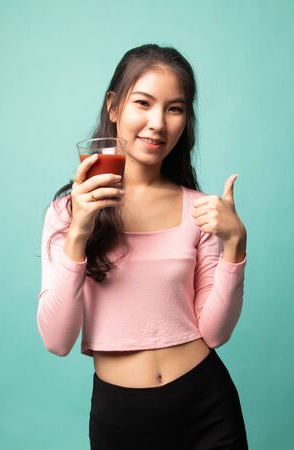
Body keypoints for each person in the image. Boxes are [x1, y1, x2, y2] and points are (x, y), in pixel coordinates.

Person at [37, 43, 249, 449]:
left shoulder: (200, 209)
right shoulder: (67, 211)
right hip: (122, 419)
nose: (158, 123)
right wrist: (80, 231)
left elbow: (215, 332)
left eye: (175, 108)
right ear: (114, 106)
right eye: (143, 103)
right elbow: (56, 340)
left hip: (208, 405)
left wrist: (234, 247)